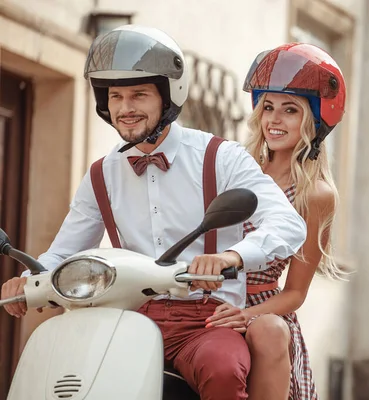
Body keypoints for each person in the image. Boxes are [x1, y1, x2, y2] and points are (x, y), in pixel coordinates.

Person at [0, 25, 307, 400]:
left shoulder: (220, 157)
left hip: (207, 322)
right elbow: (64, 251)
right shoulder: (102, 173)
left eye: (139, 95)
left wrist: (231, 256)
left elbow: (288, 223)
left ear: (168, 96)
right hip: (126, 317)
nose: (125, 109)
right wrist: (28, 280)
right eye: (116, 96)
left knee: (224, 371)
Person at [205, 43, 347, 400]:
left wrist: (246, 314)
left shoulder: (315, 194)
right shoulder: (236, 168)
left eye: (289, 110)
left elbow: (296, 293)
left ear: (313, 120)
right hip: (208, 296)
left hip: (259, 310)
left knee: (268, 331)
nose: (274, 120)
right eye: (267, 107)